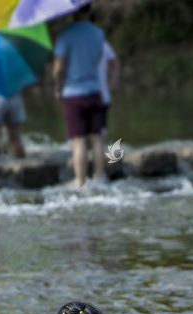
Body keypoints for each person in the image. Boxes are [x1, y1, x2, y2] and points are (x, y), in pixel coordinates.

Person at [52, 4, 107, 188]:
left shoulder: (65, 35)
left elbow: (59, 68)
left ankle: (80, 181)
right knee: (97, 138)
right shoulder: (98, 33)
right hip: (95, 90)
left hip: (73, 92)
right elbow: (99, 58)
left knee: (79, 140)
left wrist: (58, 87)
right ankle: (99, 179)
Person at [97, 38, 118, 135]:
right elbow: (115, 63)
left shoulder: (72, 43)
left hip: (77, 95)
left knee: (80, 136)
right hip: (102, 95)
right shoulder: (102, 43)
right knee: (100, 132)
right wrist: (112, 84)